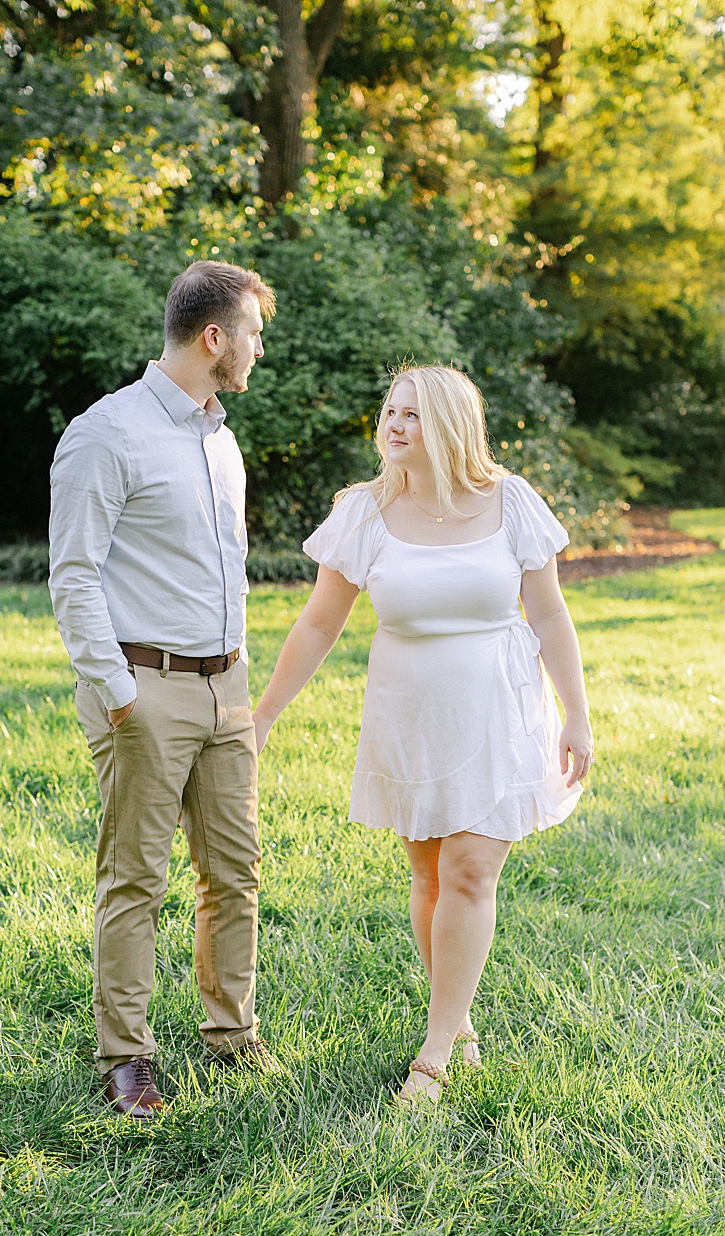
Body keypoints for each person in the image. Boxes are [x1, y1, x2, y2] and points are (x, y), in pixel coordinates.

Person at [252, 365, 592, 1104]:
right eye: (390, 411)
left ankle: (434, 1054)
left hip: (498, 709)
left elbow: (551, 615)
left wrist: (577, 714)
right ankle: (458, 1019)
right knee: (431, 876)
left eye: (411, 413)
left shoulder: (511, 502)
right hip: (410, 715)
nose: (395, 424)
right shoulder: (366, 512)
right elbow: (319, 622)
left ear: (449, 424)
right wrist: (266, 712)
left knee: (471, 872)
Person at [48, 259, 282, 1120]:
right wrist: (119, 694)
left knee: (235, 871)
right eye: (253, 334)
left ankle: (231, 1031)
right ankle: (128, 1056)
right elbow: (72, 575)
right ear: (214, 337)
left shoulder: (220, 437)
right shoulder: (107, 433)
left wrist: (242, 675)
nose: (259, 350)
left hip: (228, 691)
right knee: (136, 878)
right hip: (145, 688)